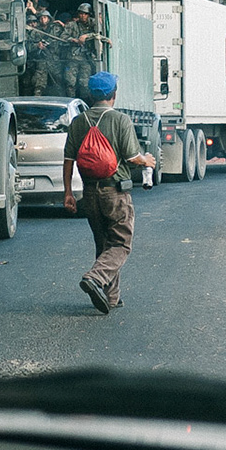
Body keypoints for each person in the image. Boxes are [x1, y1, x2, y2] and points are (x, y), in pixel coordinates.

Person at [62, 71, 155, 313]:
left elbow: (68, 160)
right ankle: (95, 278)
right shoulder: (121, 120)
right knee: (121, 244)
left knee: (104, 244)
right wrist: (147, 161)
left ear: (91, 95)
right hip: (115, 192)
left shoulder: (78, 122)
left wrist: (68, 194)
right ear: (114, 94)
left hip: (90, 193)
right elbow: (133, 157)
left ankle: (111, 297)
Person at [62, 1, 102, 99]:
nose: (82, 16)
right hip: (73, 58)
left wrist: (86, 36)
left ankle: (84, 104)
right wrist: (72, 40)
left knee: (84, 84)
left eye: (85, 14)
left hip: (87, 59)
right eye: (80, 13)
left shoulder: (94, 23)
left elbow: (100, 34)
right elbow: (63, 38)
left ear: (89, 15)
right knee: (70, 83)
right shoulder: (72, 25)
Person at [21, 7, 56, 96]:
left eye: (45, 17)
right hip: (35, 60)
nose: (43, 19)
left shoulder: (52, 30)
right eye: (41, 18)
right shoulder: (32, 33)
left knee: (54, 81)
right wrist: (37, 46)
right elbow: (27, 46)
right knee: (32, 83)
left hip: (50, 60)